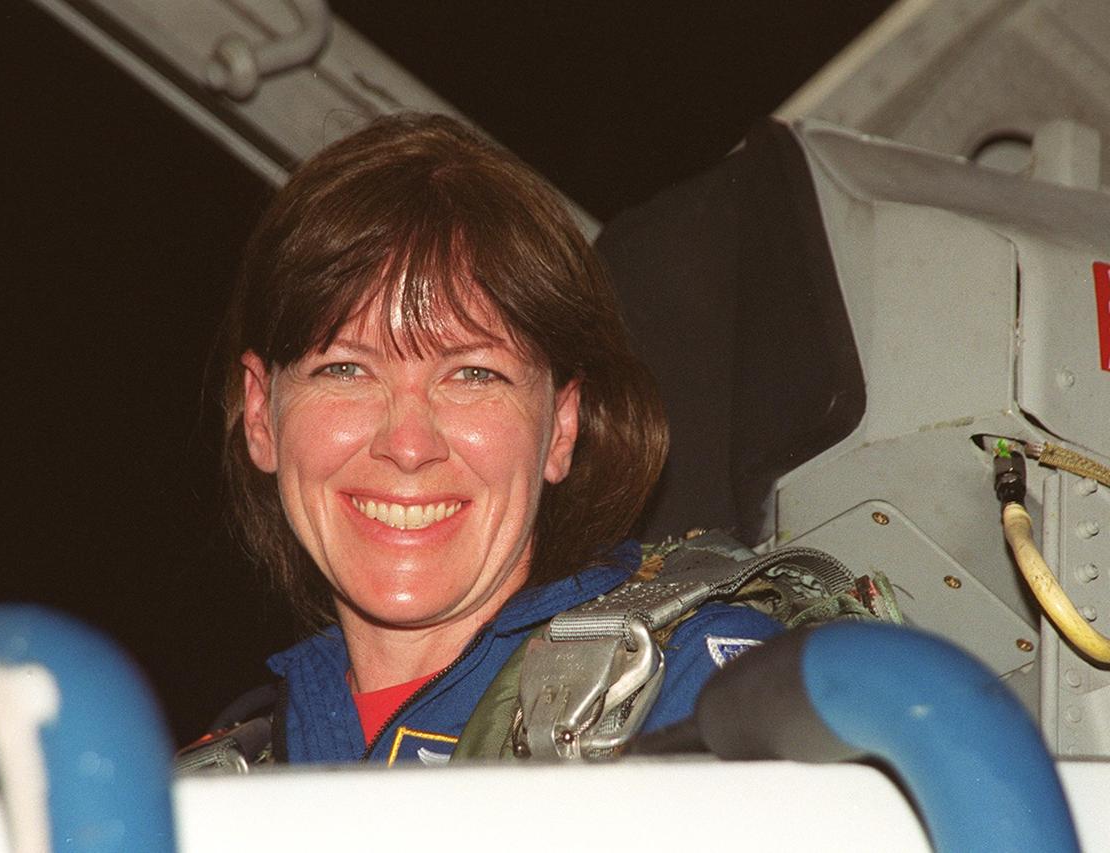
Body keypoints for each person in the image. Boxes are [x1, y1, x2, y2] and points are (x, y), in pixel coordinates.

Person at [213, 113, 780, 765]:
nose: (407, 443)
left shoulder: (700, 698)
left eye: (473, 374)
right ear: (261, 415)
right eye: (346, 368)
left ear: (561, 426)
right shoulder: (226, 779)